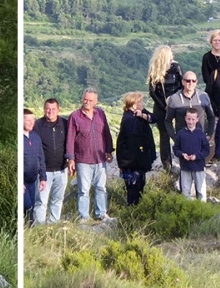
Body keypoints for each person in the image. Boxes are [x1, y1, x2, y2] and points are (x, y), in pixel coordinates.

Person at [66, 88, 114, 222]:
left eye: (90, 100)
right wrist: (70, 159)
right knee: (83, 190)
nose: (87, 102)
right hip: (83, 159)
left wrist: (109, 151)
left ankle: (102, 213)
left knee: (101, 187)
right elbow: (70, 138)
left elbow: (106, 133)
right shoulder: (75, 116)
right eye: (85, 99)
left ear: (96, 101)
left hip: (100, 158)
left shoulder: (101, 114)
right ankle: (84, 216)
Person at [116, 92, 156, 206]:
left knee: (139, 186)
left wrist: (143, 115)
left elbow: (154, 118)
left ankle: (135, 210)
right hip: (133, 161)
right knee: (134, 189)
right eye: (140, 101)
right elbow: (132, 142)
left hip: (135, 161)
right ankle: (133, 212)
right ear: (134, 103)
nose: (142, 103)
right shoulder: (130, 119)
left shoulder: (138, 114)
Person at [147, 45, 183, 171]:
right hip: (161, 106)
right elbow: (152, 91)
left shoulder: (176, 68)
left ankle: (183, 160)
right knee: (164, 135)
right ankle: (167, 165)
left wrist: (174, 101)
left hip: (175, 103)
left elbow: (182, 85)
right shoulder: (155, 69)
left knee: (181, 131)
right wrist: (163, 105)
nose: (172, 59)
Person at [34, 99, 68, 225]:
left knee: (58, 200)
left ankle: (53, 225)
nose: (50, 111)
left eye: (53, 109)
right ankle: (39, 226)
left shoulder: (65, 124)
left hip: (61, 170)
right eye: (48, 109)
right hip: (44, 172)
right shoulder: (37, 125)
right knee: (41, 201)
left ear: (58, 110)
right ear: (44, 109)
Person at [165, 70, 216, 148]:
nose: (191, 83)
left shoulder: (204, 96)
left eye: (193, 81)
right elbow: (168, 121)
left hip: (200, 140)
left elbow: (211, 117)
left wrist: (209, 135)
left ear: (196, 82)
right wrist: (175, 138)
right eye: (188, 81)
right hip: (183, 141)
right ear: (183, 82)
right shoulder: (174, 99)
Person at [173, 108, 210, 200]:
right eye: (189, 119)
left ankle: (202, 210)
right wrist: (182, 154)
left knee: (201, 191)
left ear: (197, 119)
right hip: (185, 167)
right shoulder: (181, 134)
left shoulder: (200, 134)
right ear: (185, 118)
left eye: (193, 119)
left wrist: (196, 156)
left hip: (198, 167)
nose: (190, 122)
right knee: (185, 191)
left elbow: (206, 150)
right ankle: (187, 211)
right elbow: (176, 148)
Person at [22, 109, 47, 225]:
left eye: (33, 120)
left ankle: (29, 228)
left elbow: (40, 157)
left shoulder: (35, 137)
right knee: (26, 205)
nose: (32, 123)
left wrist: (43, 177)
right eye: (28, 120)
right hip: (23, 181)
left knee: (31, 206)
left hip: (33, 180)